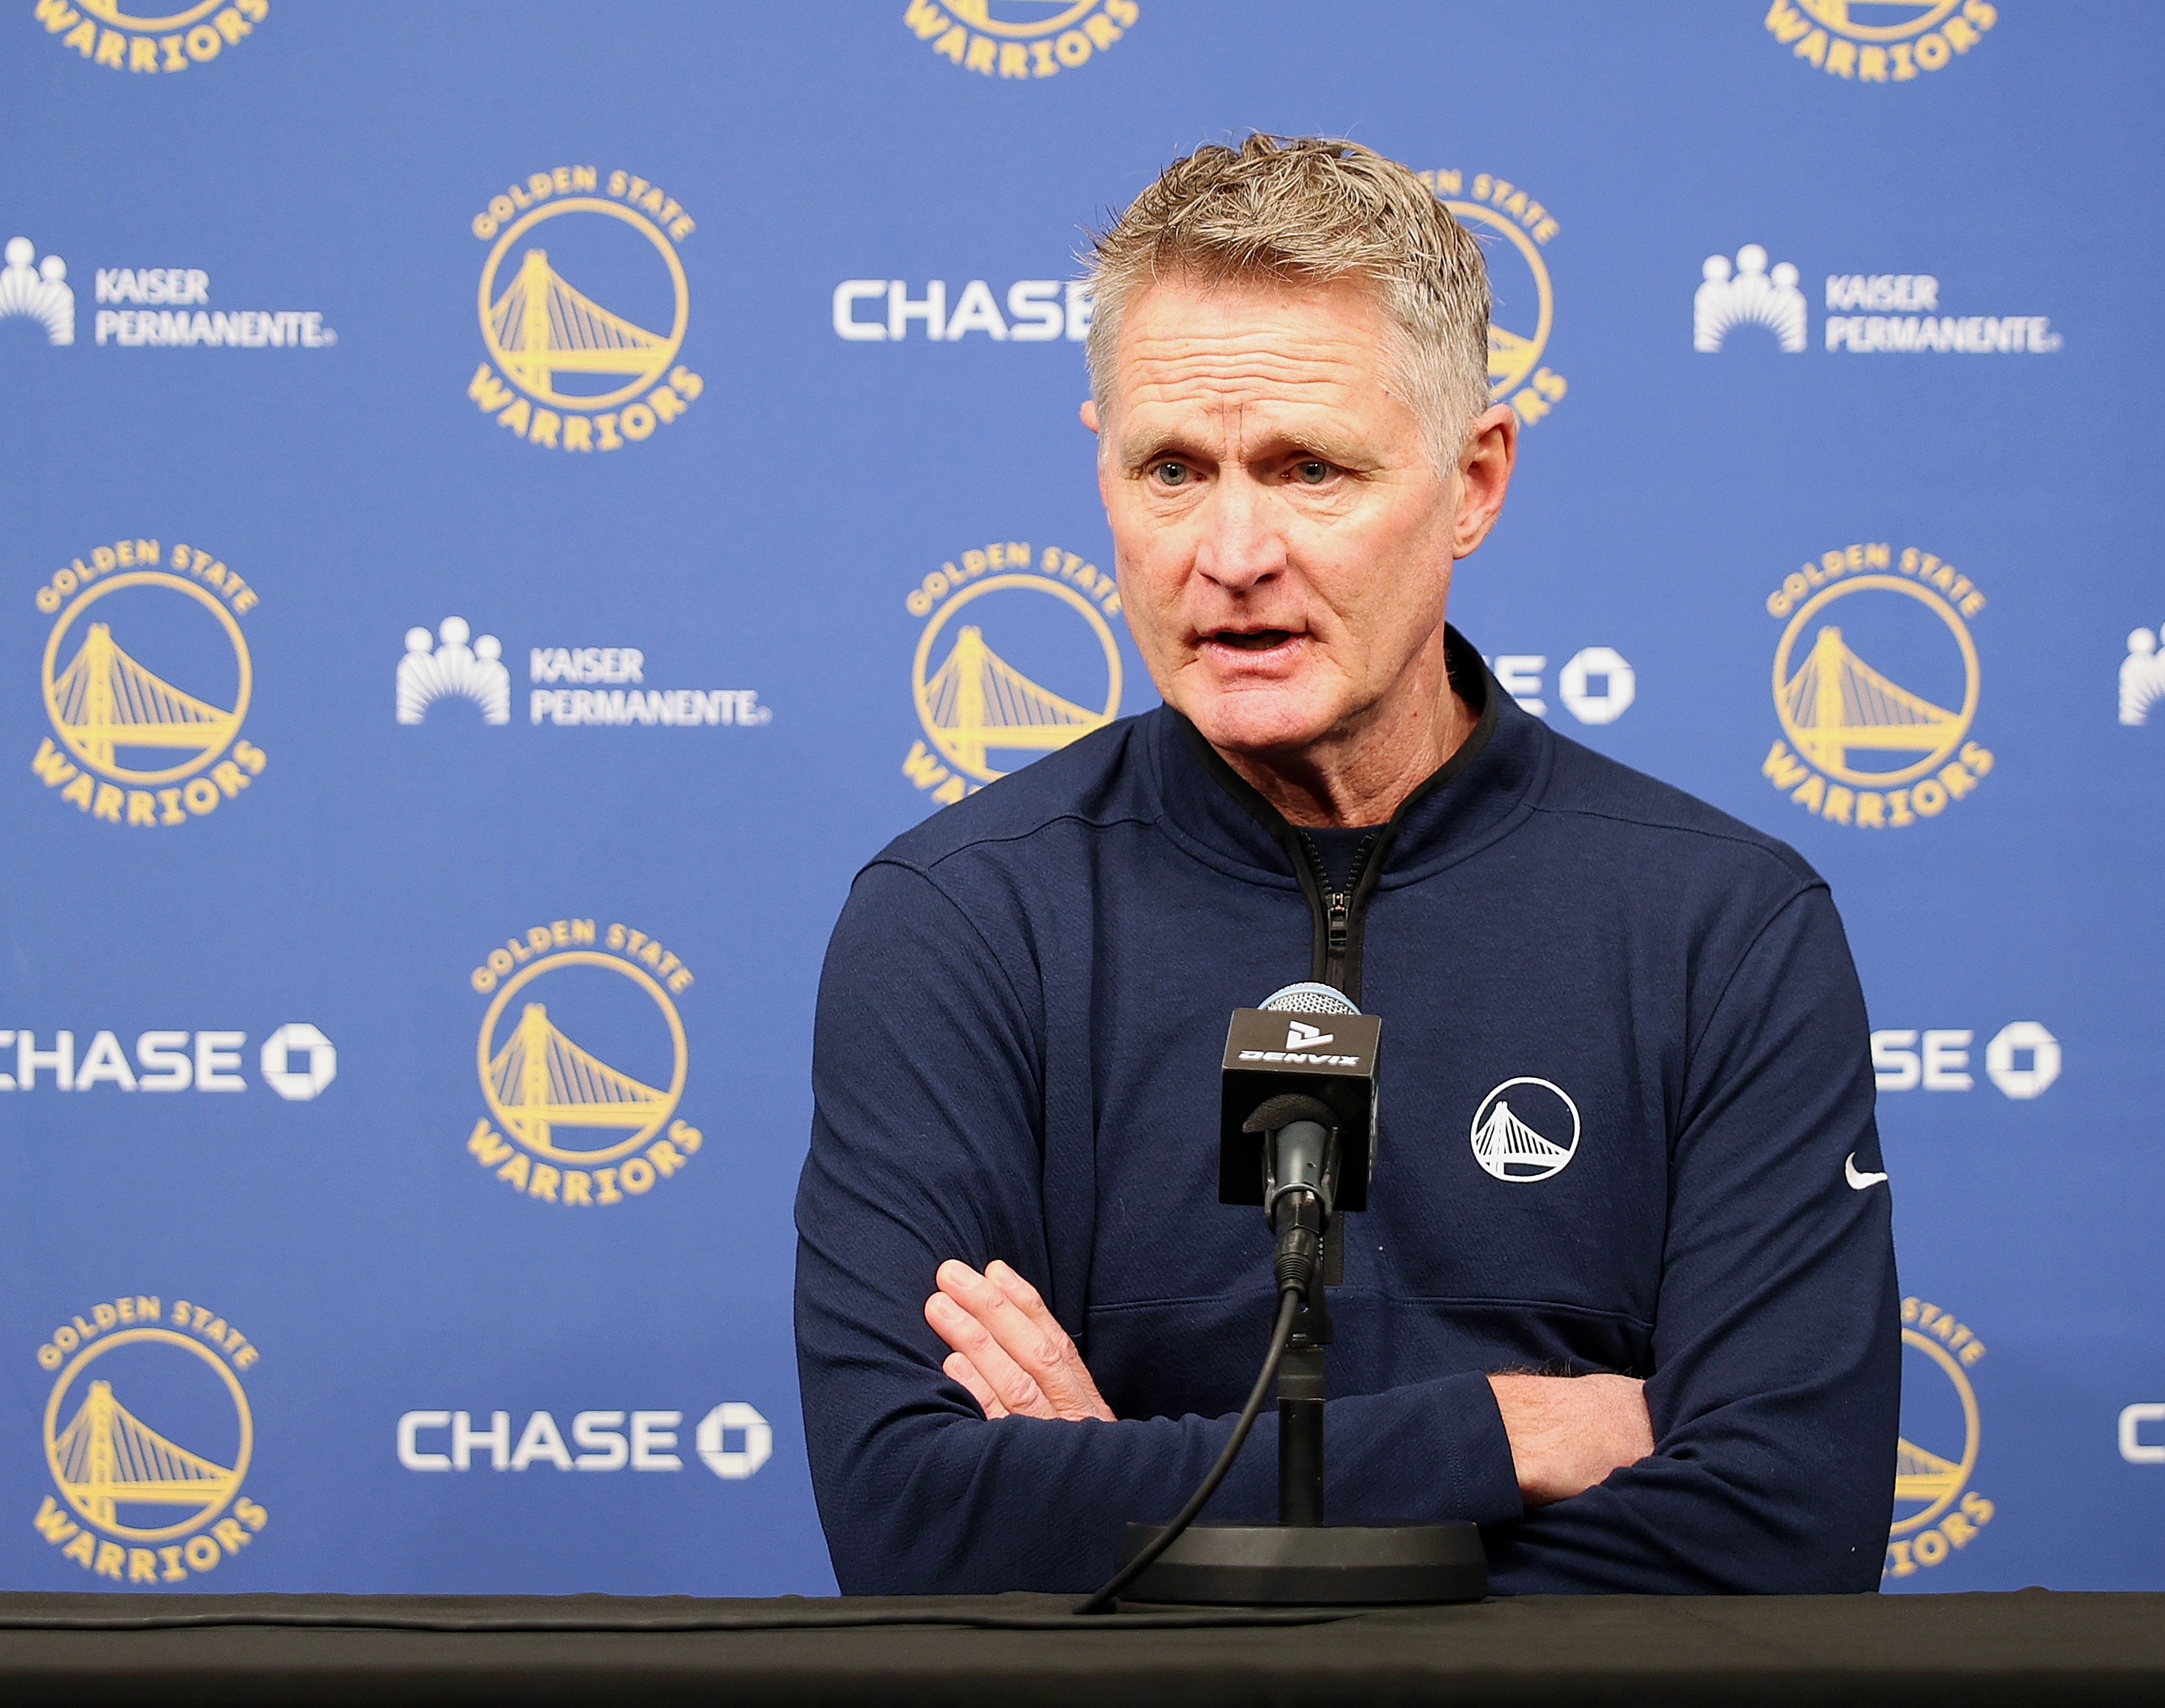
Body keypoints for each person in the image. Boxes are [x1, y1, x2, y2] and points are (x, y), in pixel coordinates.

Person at [796, 135, 1898, 1596]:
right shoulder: (960, 922)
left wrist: (1142, 1520)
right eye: (1172, 468)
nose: (1232, 549)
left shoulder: (1722, 926)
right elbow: (917, 1518)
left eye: (1310, 468)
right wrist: (1503, 1430)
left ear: (1473, 481)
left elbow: (1778, 1538)